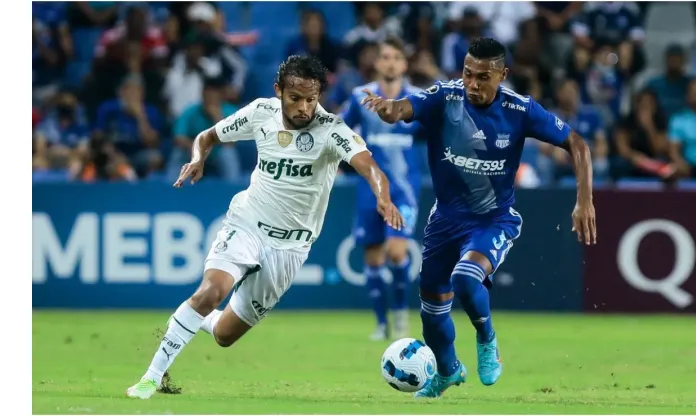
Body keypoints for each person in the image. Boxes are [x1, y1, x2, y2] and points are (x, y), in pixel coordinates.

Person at [126, 55, 404, 399]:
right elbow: (207, 136)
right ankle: (151, 377)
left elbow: (369, 166)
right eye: (295, 98)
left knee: (225, 335)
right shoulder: (261, 112)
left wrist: (383, 197)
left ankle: (192, 317)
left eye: (311, 99)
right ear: (279, 91)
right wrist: (199, 157)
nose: (304, 107)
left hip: (291, 247)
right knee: (210, 291)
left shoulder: (333, 130)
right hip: (248, 223)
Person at [361, 37, 596, 398]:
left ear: (503, 74)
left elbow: (577, 144)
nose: (473, 84)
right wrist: (388, 110)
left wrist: (584, 201)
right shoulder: (446, 95)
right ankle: (447, 371)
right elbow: (404, 108)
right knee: (432, 313)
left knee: (467, 279)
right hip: (445, 221)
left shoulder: (520, 110)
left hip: (493, 220)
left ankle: (487, 340)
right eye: (468, 74)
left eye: (483, 77)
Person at [340, 37, 423, 341]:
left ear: (404, 64)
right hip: (370, 188)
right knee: (373, 258)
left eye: (396, 57)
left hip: (404, 190)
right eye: (385, 57)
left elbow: (436, 130)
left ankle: (400, 316)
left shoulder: (417, 99)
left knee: (396, 251)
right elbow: (340, 129)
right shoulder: (360, 97)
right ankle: (380, 323)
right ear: (377, 63)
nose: (390, 62)